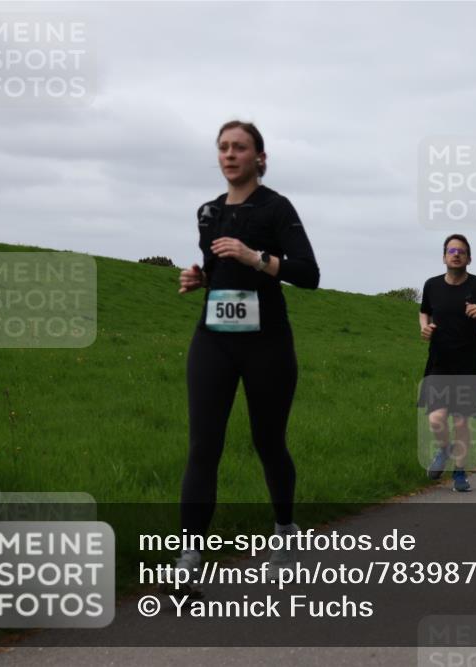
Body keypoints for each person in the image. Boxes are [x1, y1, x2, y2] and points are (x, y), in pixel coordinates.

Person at [171, 120, 320, 595]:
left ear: (260, 158)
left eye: (239, 147)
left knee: (268, 441)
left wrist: (255, 257)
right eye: (223, 147)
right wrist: (199, 277)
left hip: (266, 342)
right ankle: (189, 557)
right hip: (213, 338)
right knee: (203, 446)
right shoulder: (208, 212)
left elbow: (309, 274)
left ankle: (285, 532)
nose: (230, 154)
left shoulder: (277, 208)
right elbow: (218, 267)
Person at [419, 234, 476, 492]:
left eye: (461, 251)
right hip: (439, 360)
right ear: (444, 256)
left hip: (468, 363)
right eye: (451, 251)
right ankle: (445, 449)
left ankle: (459, 473)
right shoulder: (432, 285)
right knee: (436, 419)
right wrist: (424, 327)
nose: (456, 255)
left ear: (469, 258)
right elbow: (424, 311)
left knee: (461, 422)